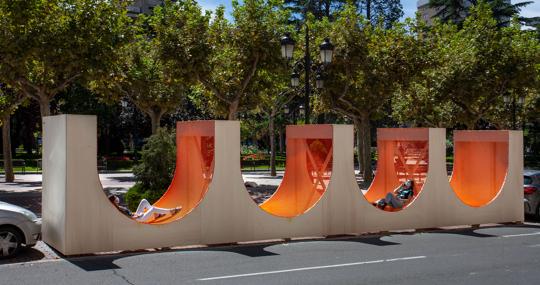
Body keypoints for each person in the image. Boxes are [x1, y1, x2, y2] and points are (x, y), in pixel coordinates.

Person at [108, 195, 181, 223]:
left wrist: (135, 214)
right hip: (137, 219)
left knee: (144, 201)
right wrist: (137, 216)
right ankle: (171, 211)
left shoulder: (118, 207)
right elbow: (128, 218)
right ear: (114, 201)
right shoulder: (118, 210)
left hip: (135, 216)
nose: (117, 198)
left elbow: (129, 215)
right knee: (153, 209)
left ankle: (156, 215)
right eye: (115, 198)